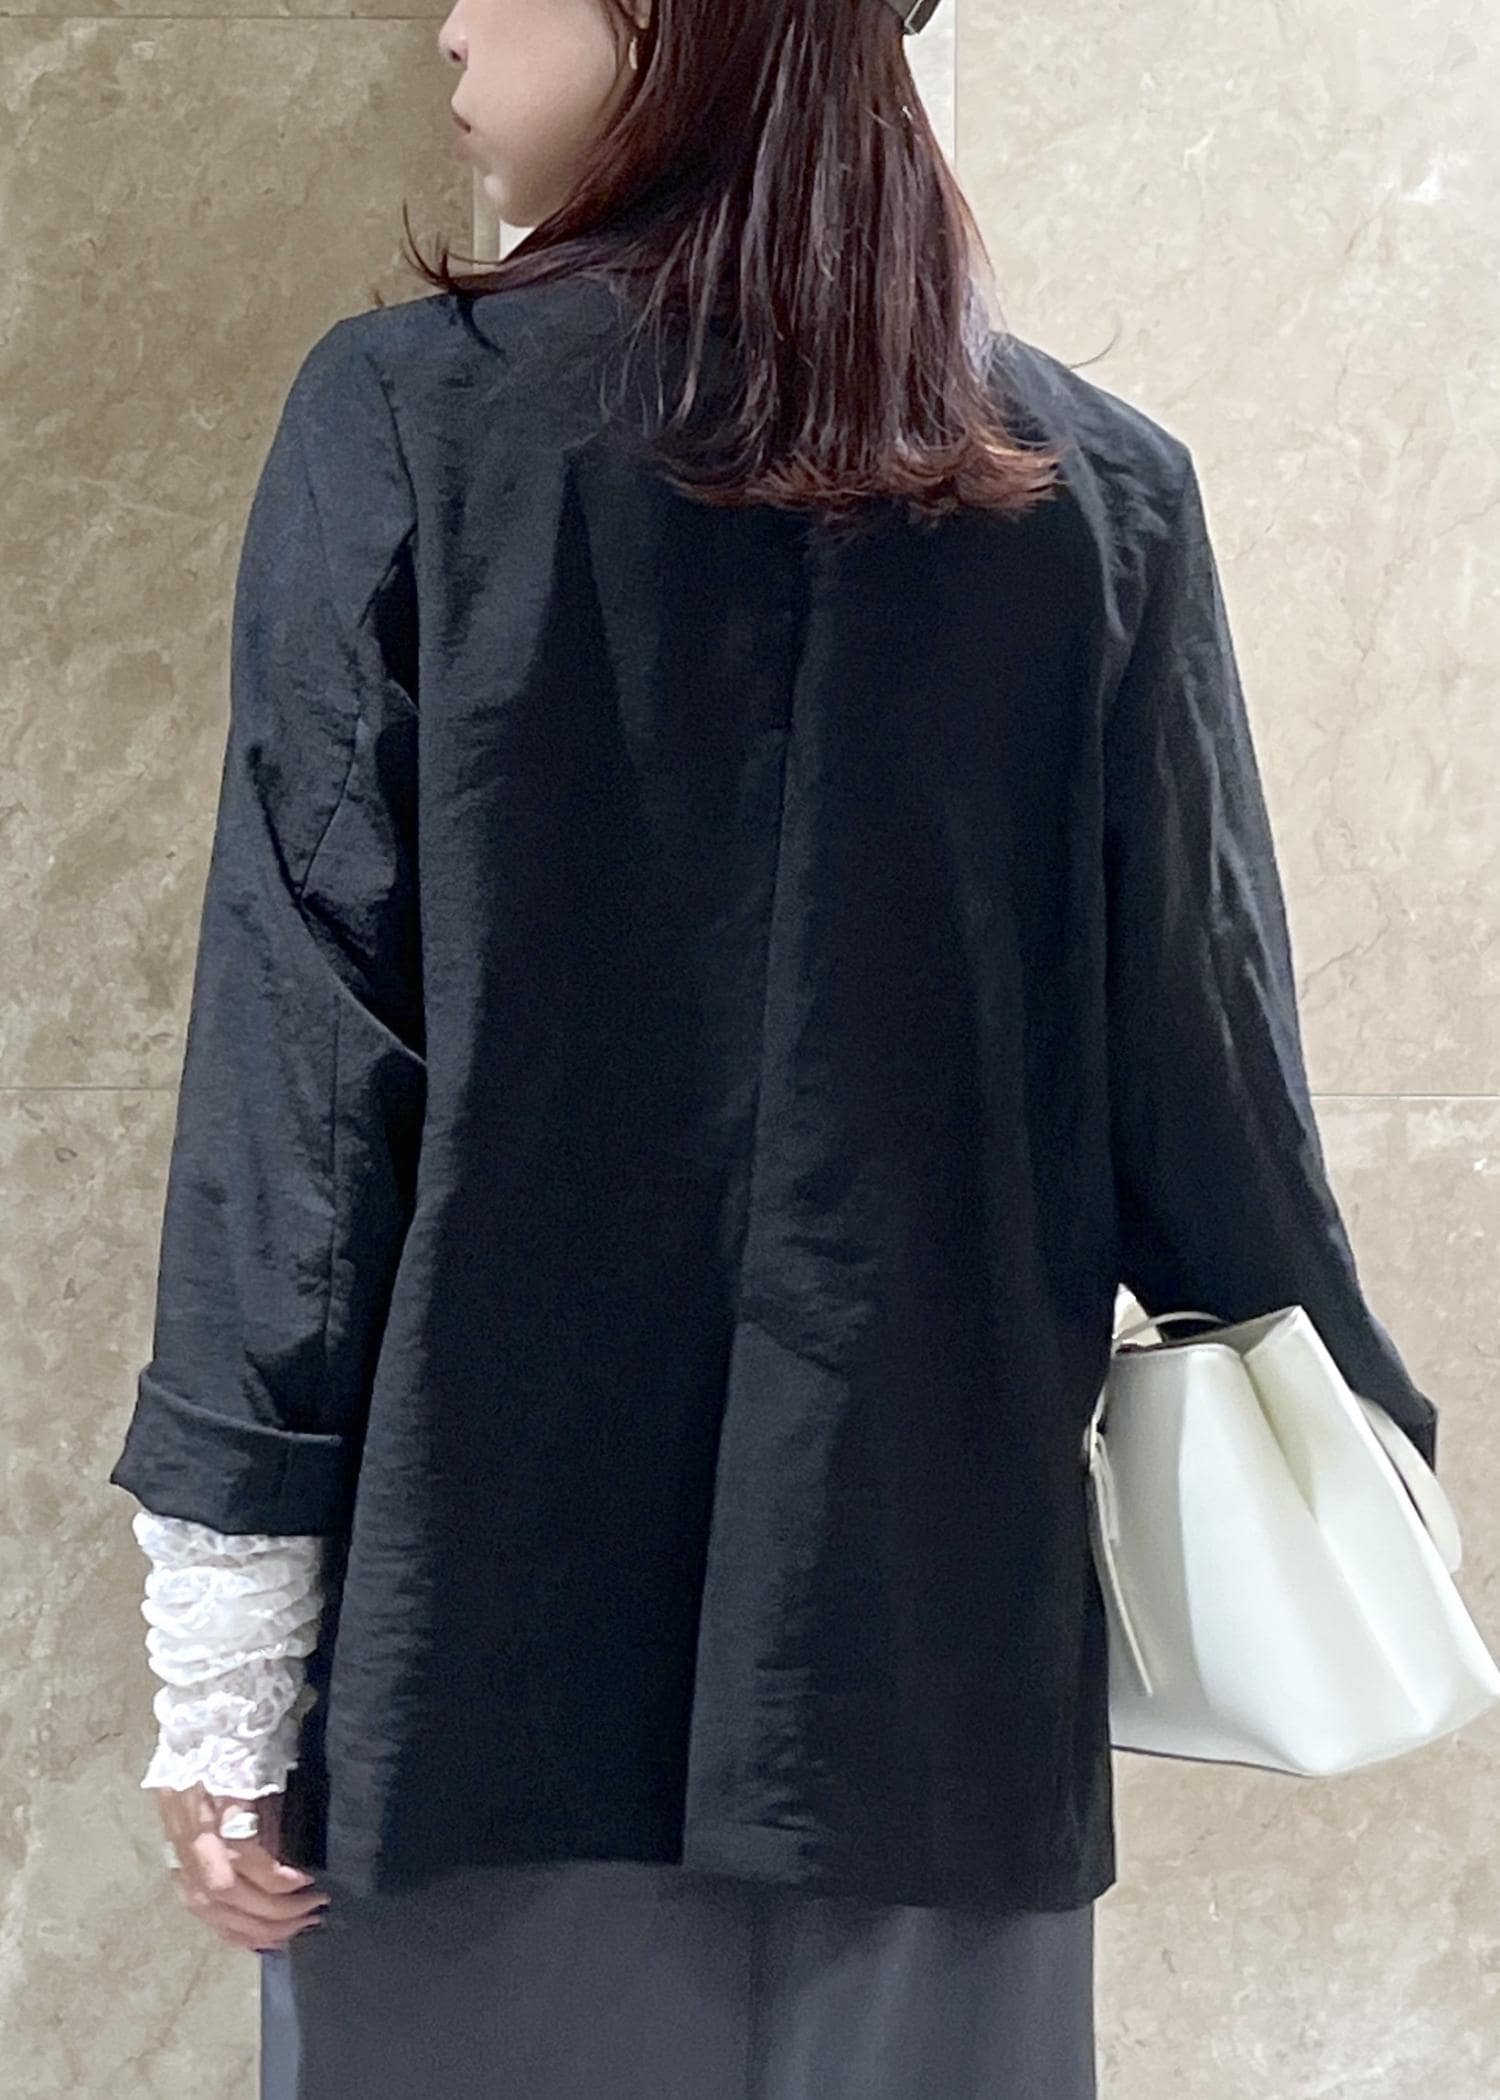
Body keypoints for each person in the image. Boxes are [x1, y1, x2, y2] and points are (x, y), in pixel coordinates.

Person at [106, 0, 1442, 2093]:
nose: (446, 25)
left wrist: (227, 1644)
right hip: (931, 1692)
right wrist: (1366, 1460)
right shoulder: (1101, 493)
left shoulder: (413, 419)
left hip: (476, 1687)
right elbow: (1212, 1108)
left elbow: (303, 1077)